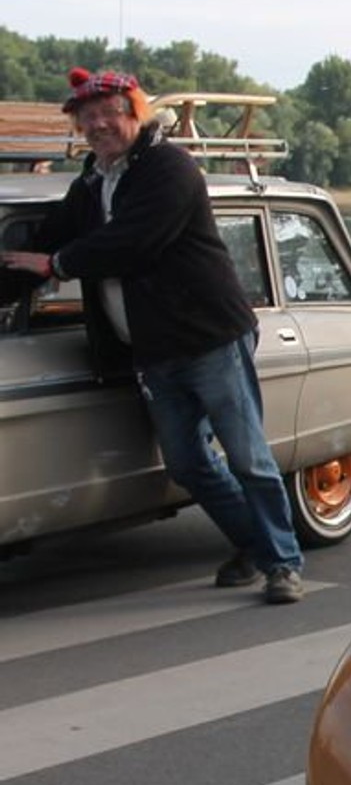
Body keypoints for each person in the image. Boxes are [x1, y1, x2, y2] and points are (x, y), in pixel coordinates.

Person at [0, 68, 305, 602]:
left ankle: (283, 564)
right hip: (151, 349)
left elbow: (134, 240)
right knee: (187, 464)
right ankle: (256, 545)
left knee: (247, 456)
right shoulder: (92, 183)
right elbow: (46, 240)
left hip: (210, 337)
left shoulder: (170, 167)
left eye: (109, 113)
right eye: (87, 118)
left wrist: (57, 263)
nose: (99, 125)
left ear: (134, 113)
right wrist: (20, 269)